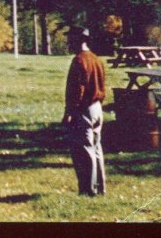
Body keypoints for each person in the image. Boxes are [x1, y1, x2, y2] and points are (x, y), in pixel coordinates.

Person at [62, 26, 106, 196]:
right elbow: (102, 85)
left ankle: (88, 191)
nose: (68, 41)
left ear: (78, 40)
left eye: (70, 38)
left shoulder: (79, 60)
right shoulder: (96, 59)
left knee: (85, 151)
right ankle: (100, 188)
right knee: (96, 149)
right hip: (97, 108)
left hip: (84, 109)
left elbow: (77, 90)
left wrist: (69, 112)